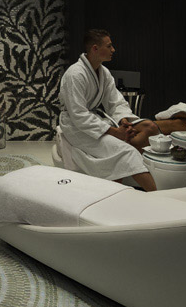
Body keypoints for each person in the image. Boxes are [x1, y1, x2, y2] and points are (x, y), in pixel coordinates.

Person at [57, 29, 158, 191]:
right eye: (109, 46)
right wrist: (114, 132)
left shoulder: (104, 73)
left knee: (142, 132)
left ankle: (114, 192)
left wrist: (123, 121)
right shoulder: (75, 74)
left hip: (93, 120)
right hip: (75, 126)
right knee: (127, 151)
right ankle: (158, 196)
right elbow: (79, 115)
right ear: (95, 48)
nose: (113, 50)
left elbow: (115, 101)